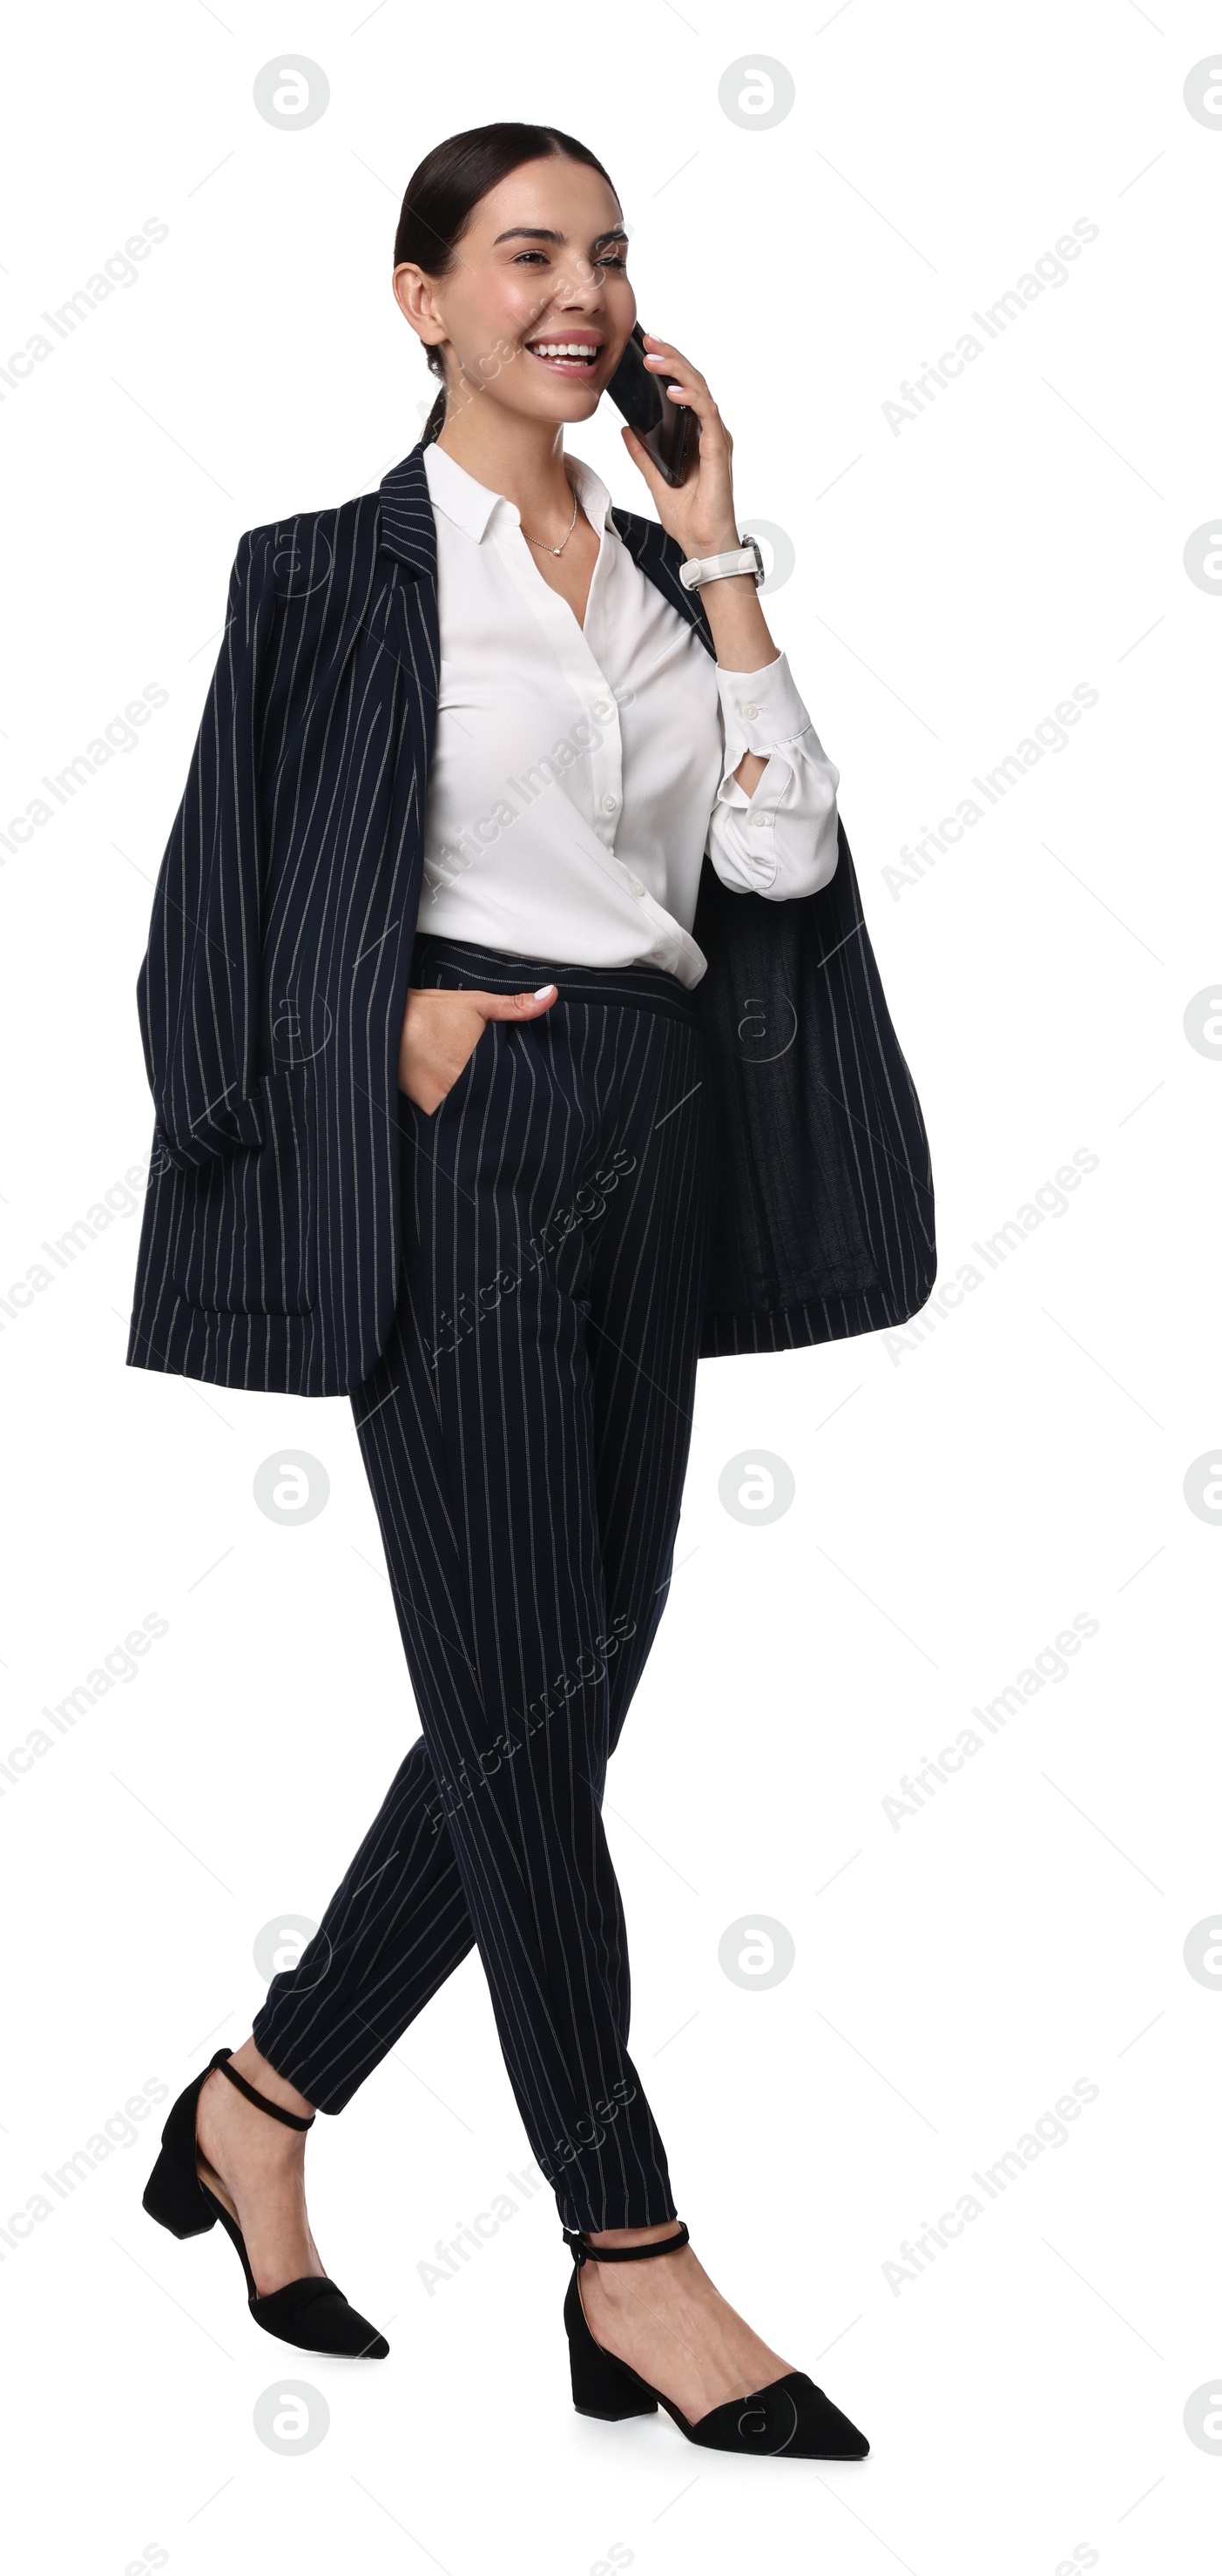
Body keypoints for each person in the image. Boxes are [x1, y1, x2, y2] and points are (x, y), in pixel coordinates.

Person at [132, 122, 935, 2462]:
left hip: (661, 1141)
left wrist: (722, 545)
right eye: (522, 254)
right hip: (463, 1138)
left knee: (547, 1713)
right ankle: (631, 2250)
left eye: (602, 255)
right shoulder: (324, 579)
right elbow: (208, 906)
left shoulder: (674, 587)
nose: (573, 290)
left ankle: (256, 2103)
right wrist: (366, 1035)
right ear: (419, 298)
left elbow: (776, 850)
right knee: (518, 1720)